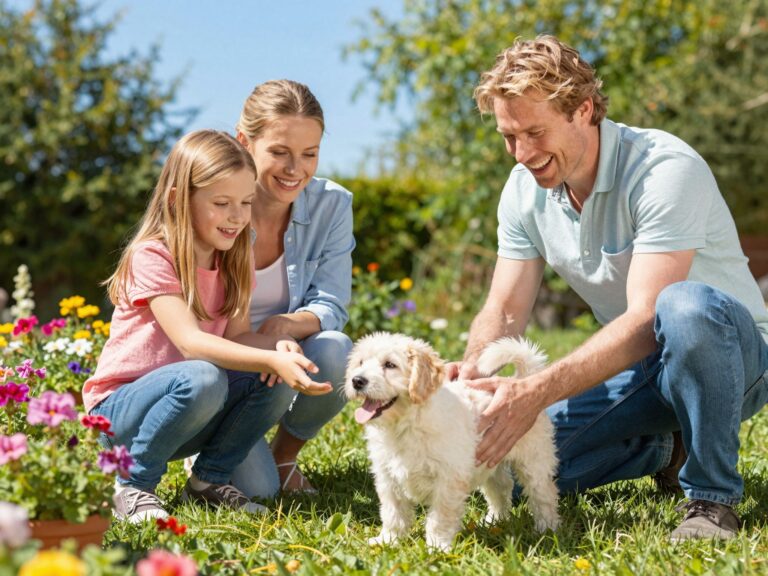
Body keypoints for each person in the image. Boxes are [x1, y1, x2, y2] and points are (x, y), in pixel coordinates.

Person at [452, 35, 768, 541]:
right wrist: (470, 376)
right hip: (642, 369)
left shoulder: (662, 169)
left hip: (731, 358)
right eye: (509, 136)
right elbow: (504, 310)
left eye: (535, 132)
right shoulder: (523, 190)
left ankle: (712, 500)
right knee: (510, 472)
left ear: (582, 110)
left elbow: (648, 318)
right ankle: (666, 448)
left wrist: (534, 392)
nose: (522, 154)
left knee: (682, 303)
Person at [83, 129, 331, 523]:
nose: (237, 216)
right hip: (119, 417)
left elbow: (236, 337)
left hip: (191, 408)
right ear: (178, 200)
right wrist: (267, 359)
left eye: (246, 202)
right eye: (222, 203)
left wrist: (277, 348)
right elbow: (191, 343)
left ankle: (208, 481)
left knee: (271, 375)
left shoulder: (232, 257)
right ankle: (133, 485)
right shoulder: (152, 255)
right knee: (204, 376)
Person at [228, 80, 355, 496]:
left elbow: (331, 302)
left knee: (337, 349)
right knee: (256, 493)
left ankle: (283, 455)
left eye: (309, 154)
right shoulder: (214, 202)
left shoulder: (332, 205)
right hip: (224, 358)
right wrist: (257, 348)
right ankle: (215, 439)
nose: (294, 169)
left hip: (287, 356)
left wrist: (282, 327)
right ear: (244, 142)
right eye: (279, 152)